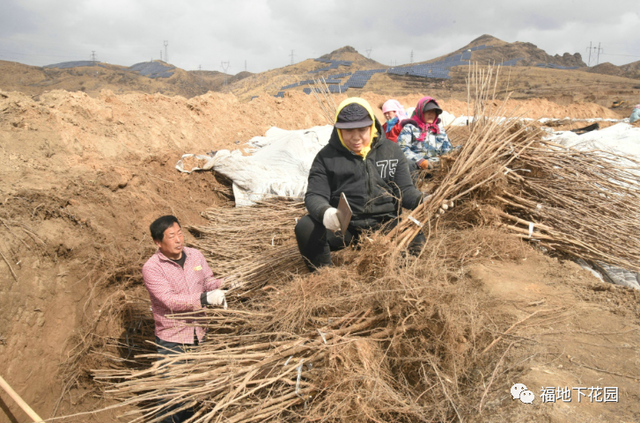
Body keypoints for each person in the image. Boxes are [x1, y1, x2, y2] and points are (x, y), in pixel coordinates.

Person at [295, 97, 427, 270]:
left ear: (371, 127)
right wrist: (326, 212)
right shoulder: (326, 158)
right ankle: (323, 276)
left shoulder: (391, 151)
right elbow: (315, 195)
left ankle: (394, 273)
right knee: (306, 227)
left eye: (362, 130)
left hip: (385, 224)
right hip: (345, 228)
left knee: (416, 238)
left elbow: (406, 190)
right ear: (338, 129)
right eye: (348, 131)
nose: (356, 137)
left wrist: (424, 200)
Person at [142, 215, 227, 422]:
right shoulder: (152, 268)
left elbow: (208, 281)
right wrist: (205, 299)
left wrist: (227, 285)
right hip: (174, 339)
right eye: (172, 236)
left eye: (180, 233)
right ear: (158, 242)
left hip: (200, 333)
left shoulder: (195, 256)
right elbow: (170, 301)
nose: (179, 239)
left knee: (197, 392)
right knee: (173, 397)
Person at [397, 96, 454, 172]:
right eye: (428, 111)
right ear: (420, 112)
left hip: (436, 167)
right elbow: (402, 149)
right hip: (415, 167)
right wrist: (420, 161)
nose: (431, 114)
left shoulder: (440, 130)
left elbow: (447, 150)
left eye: (433, 111)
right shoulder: (410, 128)